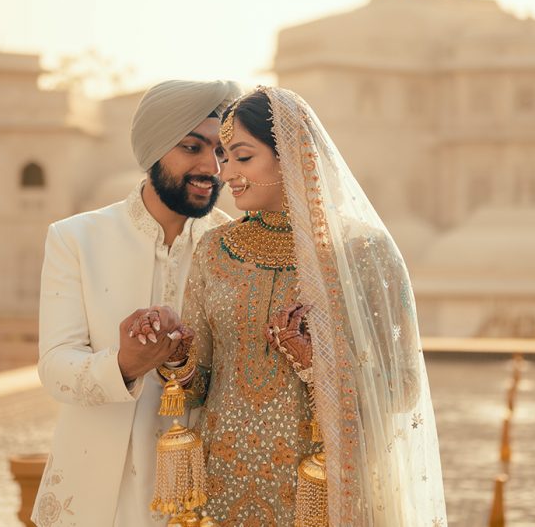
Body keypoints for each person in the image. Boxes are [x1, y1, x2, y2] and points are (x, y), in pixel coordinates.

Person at [147, 87, 447, 526]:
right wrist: (175, 359)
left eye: (243, 157)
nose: (225, 171)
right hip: (220, 488)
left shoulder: (361, 253)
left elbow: (402, 390)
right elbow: (197, 385)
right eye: (224, 157)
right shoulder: (215, 251)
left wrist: (316, 365)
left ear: (291, 154)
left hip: (319, 487)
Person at [31, 79, 240, 527]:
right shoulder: (76, 239)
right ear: (153, 152)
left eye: (221, 152)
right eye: (192, 147)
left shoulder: (232, 248)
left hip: (199, 497)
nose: (212, 167)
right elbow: (54, 367)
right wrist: (124, 364)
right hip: (93, 498)